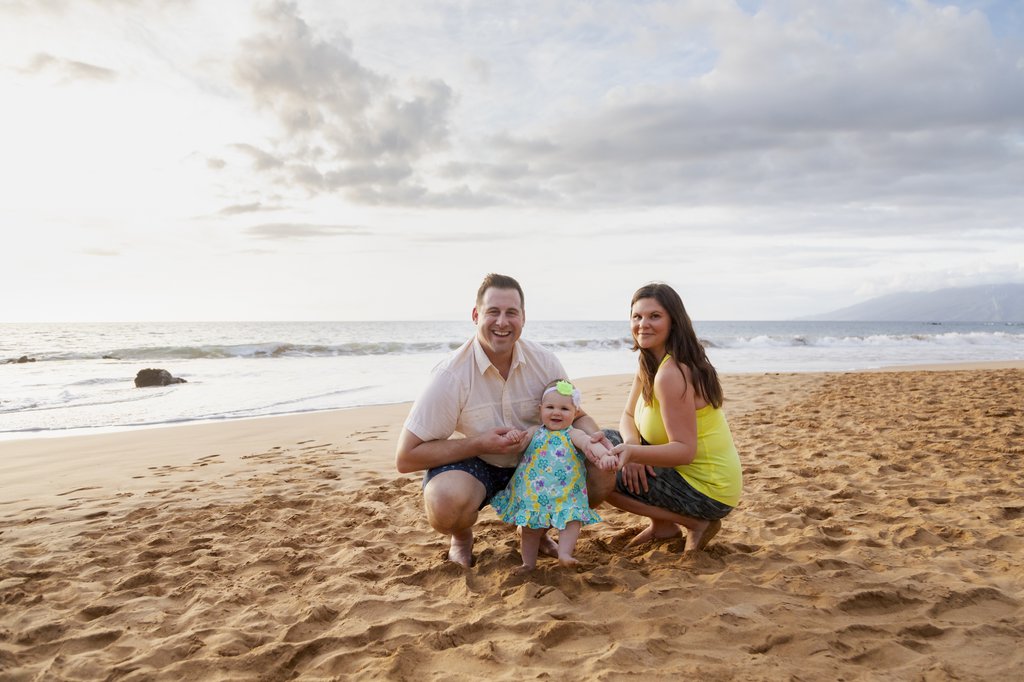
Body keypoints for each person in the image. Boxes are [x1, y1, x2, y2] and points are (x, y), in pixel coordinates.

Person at [395, 274, 615, 567]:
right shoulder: (450, 376)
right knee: (444, 503)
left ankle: (538, 531)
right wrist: (479, 443)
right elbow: (406, 457)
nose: (502, 322)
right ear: (476, 315)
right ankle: (461, 537)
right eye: (492, 312)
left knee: (605, 463)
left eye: (511, 312)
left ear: (523, 317)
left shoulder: (545, 361)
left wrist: (595, 441)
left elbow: (578, 415)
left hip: (540, 461)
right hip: (479, 463)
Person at [605, 282, 742, 553]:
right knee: (605, 442)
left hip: (709, 489)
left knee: (600, 472)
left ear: (673, 322)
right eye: (637, 316)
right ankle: (663, 527)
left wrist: (633, 454)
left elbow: (684, 451)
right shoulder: (650, 363)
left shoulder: (672, 373)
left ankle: (694, 523)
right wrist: (635, 447)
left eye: (654, 316)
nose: (643, 324)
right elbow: (628, 414)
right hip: (685, 475)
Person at [491, 379, 620, 572]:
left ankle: (565, 554)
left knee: (571, 522)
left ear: (575, 412)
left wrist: (605, 456)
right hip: (534, 494)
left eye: (564, 409)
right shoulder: (535, 431)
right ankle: (528, 563)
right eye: (550, 407)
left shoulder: (573, 434)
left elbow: (589, 443)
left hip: (567, 493)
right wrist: (513, 436)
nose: (556, 412)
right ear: (540, 409)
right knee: (530, 529)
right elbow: (520, 441)